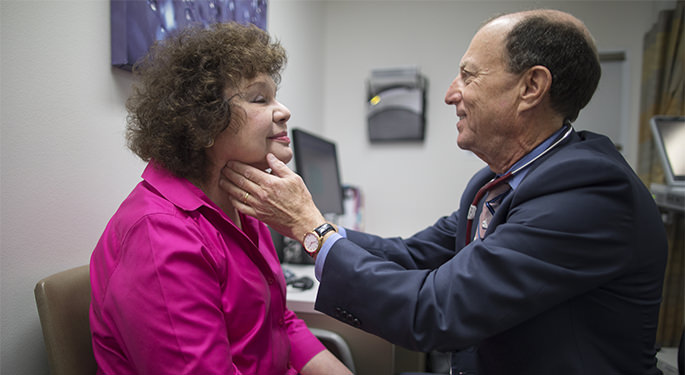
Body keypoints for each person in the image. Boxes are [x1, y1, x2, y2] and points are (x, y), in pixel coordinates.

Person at [219, 9, 669, 375]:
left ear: (531, 87)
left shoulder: (589, 192)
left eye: (469, 76)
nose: (452, 93)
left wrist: (312, 229)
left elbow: (436, 311)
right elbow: (412, 255)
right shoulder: (494, 184)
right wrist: (307, 224)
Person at [89, 22, 351, 375]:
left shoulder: (243, 205)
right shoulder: (160, 235)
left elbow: (279, 322)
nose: (284, 110)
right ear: (204, 122)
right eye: (260, 98)